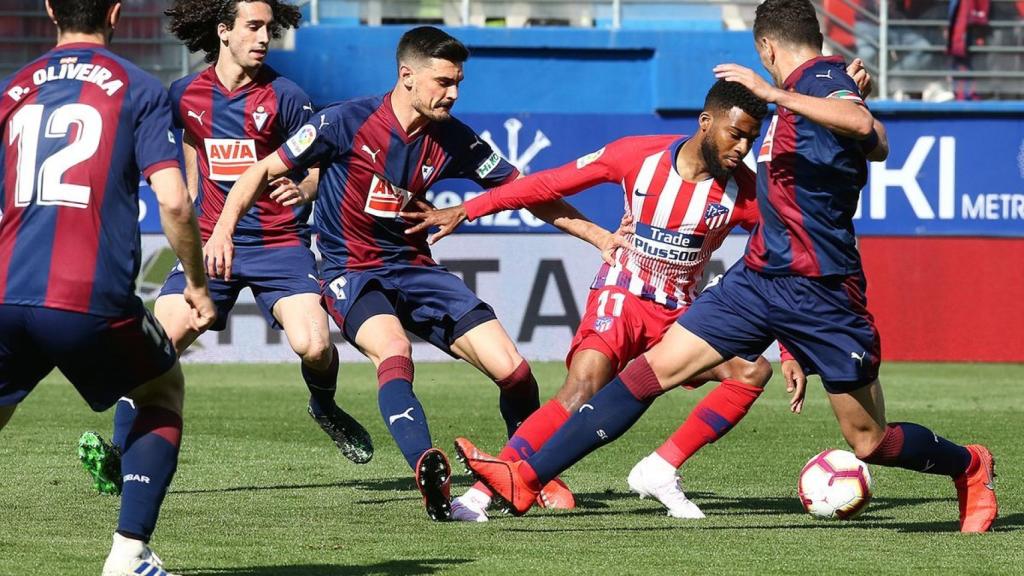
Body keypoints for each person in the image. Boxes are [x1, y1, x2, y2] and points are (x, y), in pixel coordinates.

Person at [456, 0, 998, 533]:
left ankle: (969, 466)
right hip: (757, 281)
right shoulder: (804, 97)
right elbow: (871, 138)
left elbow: (865, 128)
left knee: (869, 442)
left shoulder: (819, 78)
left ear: (765, 46)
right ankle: (523, 478)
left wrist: (782, 91)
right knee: (649, 374)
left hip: (823, 290)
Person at [204, 26, 615, 521]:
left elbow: (527, 192)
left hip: (415, 267)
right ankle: (427, 468)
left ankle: (525, 470)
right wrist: (223, 229)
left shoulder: (455, 139)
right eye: (443, 81)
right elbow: (258, 171)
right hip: (352, 271)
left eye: (458, 82)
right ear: (407, 76)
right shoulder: (343, 121)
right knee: (394, 350)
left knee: (516, 371)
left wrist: (599, 237)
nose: (454, 93)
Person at [403, 79, 810, 521]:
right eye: (736, 134)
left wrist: (788, 348)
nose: (743, 147)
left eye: (752, 138)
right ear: (705, 122)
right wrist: (468, 208)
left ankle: (662, 467)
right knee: (583, 385)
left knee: (751, 371)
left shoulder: (746, 193)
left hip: (682, 315)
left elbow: (779, 260)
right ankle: (479, 497)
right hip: (622, 294)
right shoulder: (637, 155)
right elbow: (548, 183)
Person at [77, 0, 374, 497]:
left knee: (316, 346)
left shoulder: (287, 96)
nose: (263, 37)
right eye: (253, 27)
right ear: (223, 31)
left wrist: (304, 189)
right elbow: (183, 142)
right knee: (155, 346)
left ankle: (323, 405)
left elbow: (327, 159)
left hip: (279, 244)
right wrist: (193, 206)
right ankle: (117, 454)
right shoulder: (184, 94)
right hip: (212, 246)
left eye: (268, 28)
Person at [0, 0, 217, 573]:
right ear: (116, 11)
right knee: (161, 390)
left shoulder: (13, 87)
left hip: (4, 292)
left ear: (49, 9)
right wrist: (195, 281)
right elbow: (173, 199)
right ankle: (128, 556)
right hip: (87, 296)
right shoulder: (139, 87)